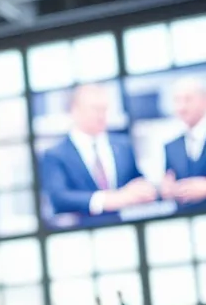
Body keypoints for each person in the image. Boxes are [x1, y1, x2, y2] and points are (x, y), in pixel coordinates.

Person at [39, 83, 151, 216]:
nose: (101, 115)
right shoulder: (55, 155)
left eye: (104, 109)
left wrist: (145, 189)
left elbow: (137, 180)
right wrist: (107, 200)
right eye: (95, 109)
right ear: (75, 110)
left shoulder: (123, 146)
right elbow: (59, 198)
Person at [161, 77, 206, 202]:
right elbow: (168, 182)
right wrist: (167, 190)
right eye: (177, 101)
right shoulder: (171, 147)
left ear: (205, 101)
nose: (181, 107)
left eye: (188, 99)